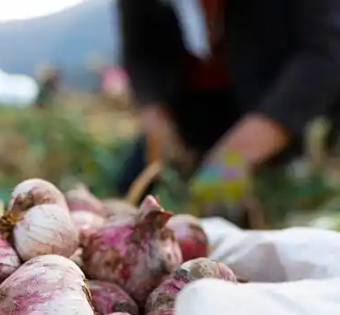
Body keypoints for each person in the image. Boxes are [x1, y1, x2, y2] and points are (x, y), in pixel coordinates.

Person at [115, 0, 340, 209]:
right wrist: (158, 124)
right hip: (196, 109)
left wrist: (239, 154)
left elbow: (324, 56)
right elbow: (140, 51)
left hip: (282, 104)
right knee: (134, 189)